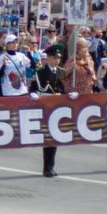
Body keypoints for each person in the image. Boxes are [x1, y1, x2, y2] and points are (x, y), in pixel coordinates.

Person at [33, 44, 65, 177]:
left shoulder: (61, 72)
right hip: (45, 106)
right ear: (49, 58)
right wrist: (34, 94)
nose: (57, 60)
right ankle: (47, 168)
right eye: (54, 58)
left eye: (58, 58)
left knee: (55, 137)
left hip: (57, 107)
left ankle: (51, 166)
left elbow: (63, 88)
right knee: (48, 138)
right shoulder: (41, 72)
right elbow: (38, 88)